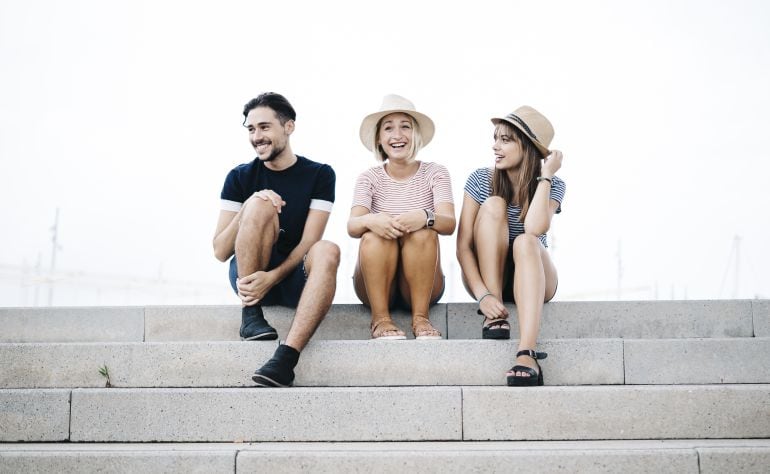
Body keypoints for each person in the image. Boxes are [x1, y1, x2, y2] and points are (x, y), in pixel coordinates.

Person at [212, 92, 340, 387]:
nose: (257, 136)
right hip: (249, 279)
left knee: (328, 250)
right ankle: (250, 316)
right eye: (251, 129)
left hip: (293, 277)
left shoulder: (320, 174)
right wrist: (248, 208)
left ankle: (285, 359)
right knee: (259, 203)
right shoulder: (239, 177)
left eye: (264, 127)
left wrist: (275, 276)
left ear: (288, 127)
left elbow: (310, 242)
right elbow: (220, 250)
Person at [456, 105, 565, 386]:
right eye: (495, 138)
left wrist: (546, 176)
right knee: (494, 204)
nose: (496, 146)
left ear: (527, 146)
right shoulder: (480, 179)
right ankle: (494, 318)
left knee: (526, 241)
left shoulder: (553, 184)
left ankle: (526, 353)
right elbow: (463, 246)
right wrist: (484, 296)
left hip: (533, 277)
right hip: (489, 280)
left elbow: (535, 228)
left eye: (505, 140)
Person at [348, 94, 455, 340]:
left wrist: (424, 216)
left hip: (420, 281)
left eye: (405, 126)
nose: (397, 135)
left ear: (416, 134)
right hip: (374, 282)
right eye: (388, 128)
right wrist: (370, 220)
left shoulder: (435, 173)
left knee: (424, 233)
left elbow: (449, 222)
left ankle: (421, 318)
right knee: (375, 236)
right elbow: (352, 225)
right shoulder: (369, 177)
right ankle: (381, 319)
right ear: (379, 138)